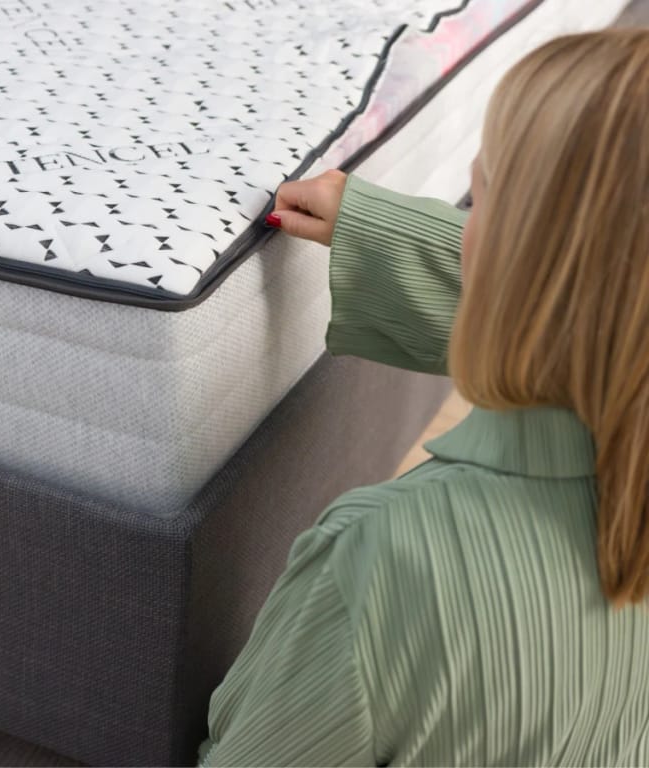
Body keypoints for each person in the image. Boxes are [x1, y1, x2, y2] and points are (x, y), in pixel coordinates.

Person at [198, 28, 649, 767]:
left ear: (516, 257)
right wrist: (379, 230)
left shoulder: (384, 566)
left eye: (483, 196)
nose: (465, 221)